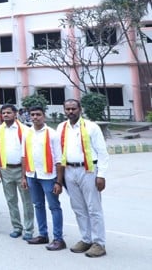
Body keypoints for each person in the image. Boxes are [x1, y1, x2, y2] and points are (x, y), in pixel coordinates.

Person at [57, 98, 110, 258]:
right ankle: (86, 239)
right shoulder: (61, 127)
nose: (70, 112)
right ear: (64, 110)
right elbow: (59, 152)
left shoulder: (91, 127)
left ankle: (99, 243)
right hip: (69, 170)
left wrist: (101, 175)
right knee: (78, 208)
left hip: (88, 170)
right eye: (67, 109)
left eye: (73, 108)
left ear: (80, 109)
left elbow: (102, 152)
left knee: (94, 208)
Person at [22, 106, 65, 251]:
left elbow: (59, 159)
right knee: (38, 205)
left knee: (54, 206)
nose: (35, 117)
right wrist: (24, 176)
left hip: (48, 176)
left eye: (38, 115)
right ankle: (42, 234)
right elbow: (24, 156)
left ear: (44, 116)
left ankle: (58, 238)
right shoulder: (27, 133)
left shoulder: (52, 134)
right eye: (32, 115)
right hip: (32, 175)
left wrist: (59, 181)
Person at [0, 104, 35, 240]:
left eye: (8, 113)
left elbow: (28, 153)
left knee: (26, 201)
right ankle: (17, 227)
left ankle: (29, 229)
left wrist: (25, 174)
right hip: (6, 169)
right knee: (11, 200)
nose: (6, 115)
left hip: (21, 170)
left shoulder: (25, 130)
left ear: (15, 113)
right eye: (3, 113)